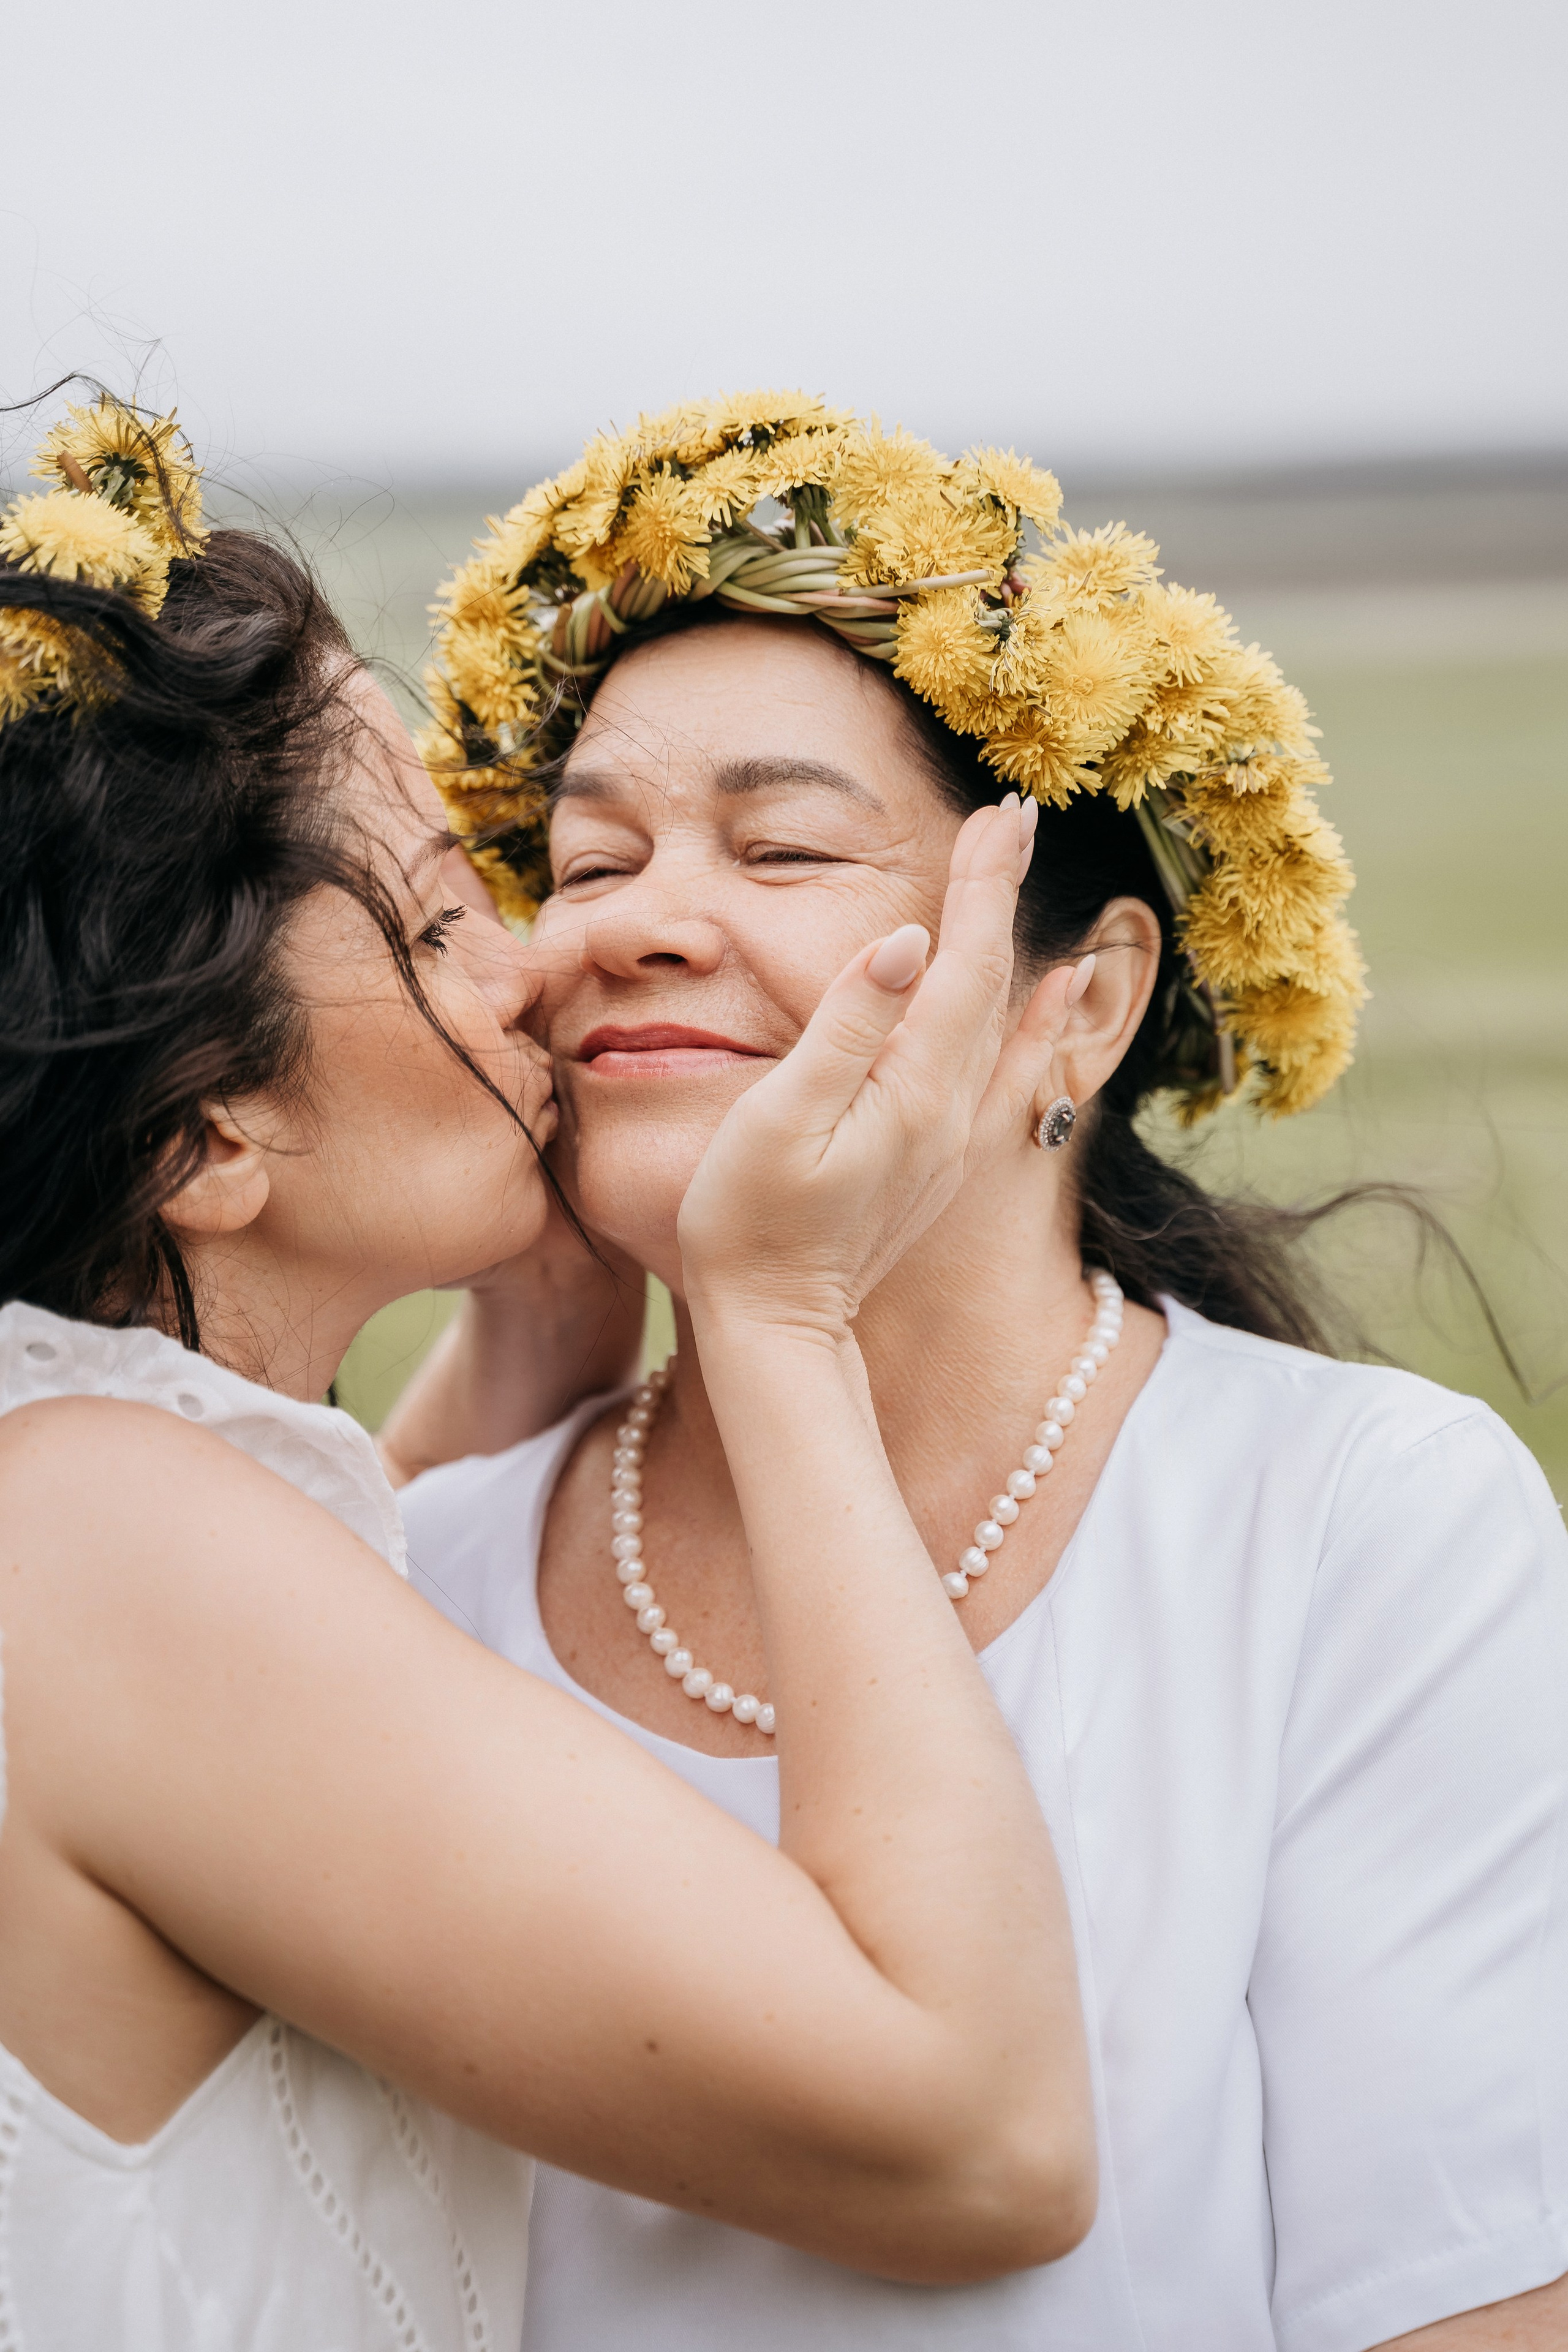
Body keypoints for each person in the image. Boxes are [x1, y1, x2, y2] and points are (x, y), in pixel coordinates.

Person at [386, 390, 1568, 2351]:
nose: (643, 928)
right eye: (586, 869)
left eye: (780, 845)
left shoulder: (1364, 1528)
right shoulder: (427, 1570)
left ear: (1079, 1006)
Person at [0, 397, 1104, 2348]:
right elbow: (977, 2138)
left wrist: (530, 1332)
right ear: (204, 1142)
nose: (539, 967)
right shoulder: (83, 1536)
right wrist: (774, 1320)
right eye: (435, 914)